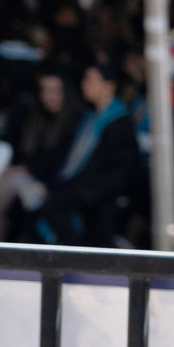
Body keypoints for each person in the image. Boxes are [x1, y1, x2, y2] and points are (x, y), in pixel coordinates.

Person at [27, 63, 141, 246]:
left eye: (91, 80)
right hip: (78, 183)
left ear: (109, 85)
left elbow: (117, 171)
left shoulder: (119, 122)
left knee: (51, 206)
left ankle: (70, 255)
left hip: (97, 191)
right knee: (26, 203)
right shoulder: (88, 117)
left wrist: (71, 189)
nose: (84, 84)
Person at [0, 69, 81, 242]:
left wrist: (26, 172)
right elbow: (29, 155)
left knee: (0, 191)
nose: (48, 96)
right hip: (32, 175)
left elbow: (59, 165)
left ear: (66, 92)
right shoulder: (38, 117)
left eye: (54, 91)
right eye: (44, 90)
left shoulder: (74, 122)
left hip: (52, 184)